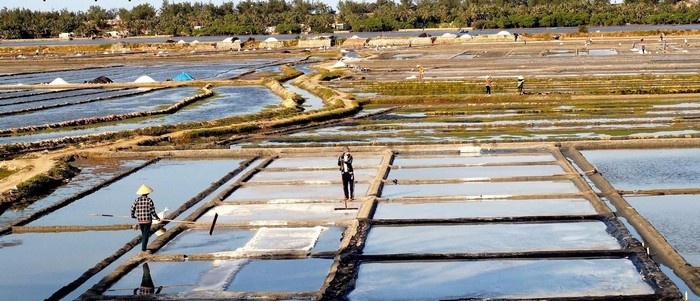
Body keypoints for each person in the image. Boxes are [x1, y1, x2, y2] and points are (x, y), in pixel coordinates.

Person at [131, 184, 161, 252]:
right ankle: (143, 249)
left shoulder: (137, 200)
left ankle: (143, 247)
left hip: (140, 220)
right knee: (146, 234)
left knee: (144, 233)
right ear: (147, 193)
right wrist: (156, 217)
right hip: (147, 220)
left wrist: (132, 215)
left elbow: (132, 208)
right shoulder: (149, 200)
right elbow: (152, 210)